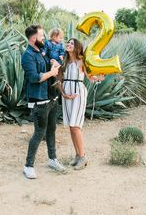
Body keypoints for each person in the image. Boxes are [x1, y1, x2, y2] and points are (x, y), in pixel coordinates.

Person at [21, 25, 65, 179]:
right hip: (39, 100)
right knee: (39, 133)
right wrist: (52, 72)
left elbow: (49, 68)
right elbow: (34, 78)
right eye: (41, 36)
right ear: (33, 38)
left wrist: (54, 63)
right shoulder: (27, 55)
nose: (44, 39)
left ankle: (52, 159)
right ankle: (28, 166)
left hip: (52, 98)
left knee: (51, 130)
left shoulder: (42, 52)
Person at [58, 38, 104, 170]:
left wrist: (100, 77)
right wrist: (63, 93)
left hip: (78, 93)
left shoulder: (81, 62)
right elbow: (59, 79)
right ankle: (77, 155)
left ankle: (83, 157)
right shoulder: (64, 62)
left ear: (77, 47)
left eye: (72, 43)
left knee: (75, 125)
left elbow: (91, 77)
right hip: (66, 94)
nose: (68, 44)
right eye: (68, 42)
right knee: (71, 127)